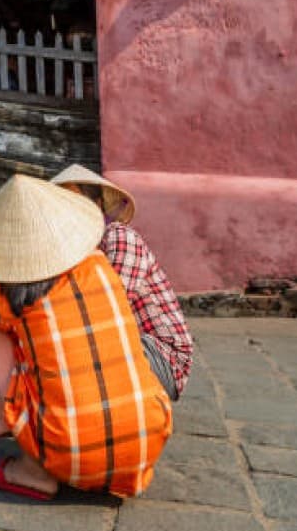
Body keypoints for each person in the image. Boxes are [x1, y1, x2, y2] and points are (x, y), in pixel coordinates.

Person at [0, 175, 172, 500]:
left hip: (69, 450)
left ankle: (33, 469)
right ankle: (90, 460)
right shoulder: (100, 266)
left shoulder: (0, 290)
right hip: (146, 445)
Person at [50, 164, 193, 401]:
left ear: (96, 205)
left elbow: (109, 307)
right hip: (121, 349)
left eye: (74, 202)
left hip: (161, 358)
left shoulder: (119, 236)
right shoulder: (80, 252)